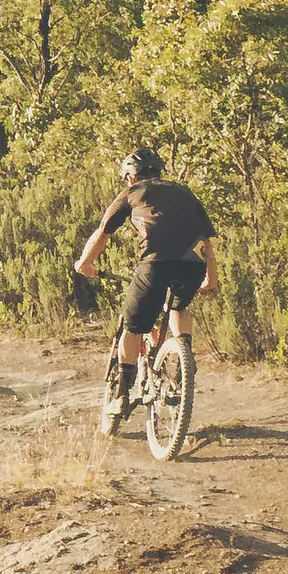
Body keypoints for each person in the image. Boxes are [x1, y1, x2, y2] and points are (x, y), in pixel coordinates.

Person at [72, 146, 217, 430]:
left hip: (154, 266)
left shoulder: (131, 193)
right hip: (192, 267)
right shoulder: (185, 192)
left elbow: (102, 234)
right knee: (179, 305)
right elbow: (207, 242)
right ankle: (183, 357)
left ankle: (121, 393)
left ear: (129, 177)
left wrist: (84, 264)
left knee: (132, 327)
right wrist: (211, 279)